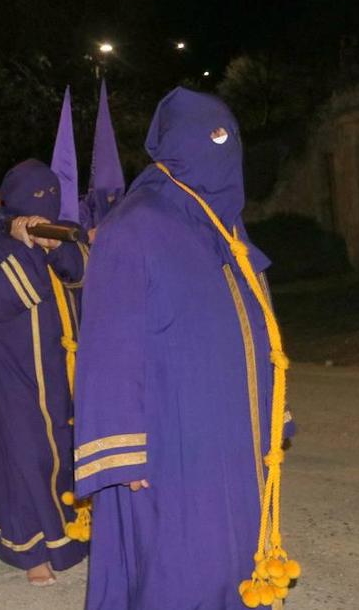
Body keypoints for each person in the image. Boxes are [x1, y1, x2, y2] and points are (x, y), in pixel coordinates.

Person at [74, 87, 300, 610]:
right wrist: (120, 456)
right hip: (171, 446)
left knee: (235, 561)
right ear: (174, 147)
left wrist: (273, 414)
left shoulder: (225, 227)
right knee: (182, 571)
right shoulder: (136, 224)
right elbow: (108, 351)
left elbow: (258, 328)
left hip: (235, 439)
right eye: (210, 137)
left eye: (230, 137)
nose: (224, 149)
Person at [0, 159, 89, 587]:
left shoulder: (63, 239)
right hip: (13, 373)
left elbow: (86, 273)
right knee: (23, 456)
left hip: (64, 371)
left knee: (64, 450)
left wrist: (57, 246)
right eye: (35, 198)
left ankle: (70, 535)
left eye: (51, 197)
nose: (45, 206)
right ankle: (30, 549)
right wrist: (24, 247)